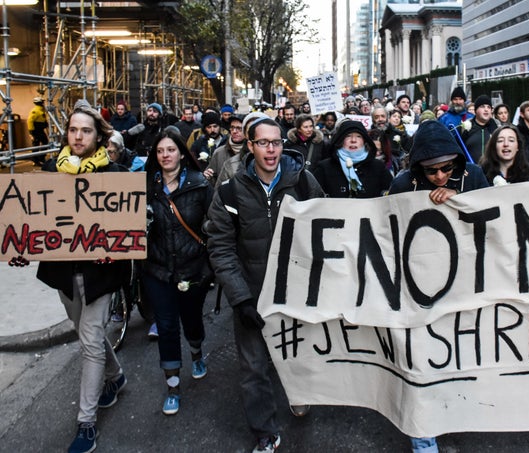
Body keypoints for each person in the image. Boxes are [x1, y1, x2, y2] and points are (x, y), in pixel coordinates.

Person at [205, 116, 324, 452]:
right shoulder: (229, 191)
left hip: (297, 292)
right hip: (253, 292)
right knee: (254, 368)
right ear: (251, 146)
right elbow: (221, 246)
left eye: (276, 142)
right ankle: (264, 433)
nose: (271, 149)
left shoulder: (303, 182)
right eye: (263, 143)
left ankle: (299, 392)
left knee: (298, 351)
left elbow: (326, 226)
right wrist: (240, 299)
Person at [388, 119, 489, 453]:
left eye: (447, 168)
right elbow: (388, 231)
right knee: (420, 362)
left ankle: (453, 410)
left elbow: (494, 219)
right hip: (419, 287)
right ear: (419, 167)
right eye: (432, 171)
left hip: (465, 285)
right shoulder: (403, 183)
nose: (441, 176)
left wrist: (459, 199)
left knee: (458, 356)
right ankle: (424, 440)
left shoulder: (473, 176)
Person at [35, 100, 129, 453]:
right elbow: (35, 221)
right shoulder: (50, 171)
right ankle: (116, 377)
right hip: (64, 273)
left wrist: (115, 247)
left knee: (89, 342)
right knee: (86, 334)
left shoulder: (117, 177)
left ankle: (85, 424)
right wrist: (22, 246)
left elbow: (130, 229)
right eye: (73, 130)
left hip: (100, 276)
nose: (78, 136)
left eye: (85, 130)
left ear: (98, 136)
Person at [143, 127, 213, 416]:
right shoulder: (146, 186)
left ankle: (196, 350)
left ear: (181, 154)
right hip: (157, 270)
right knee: (167, 326)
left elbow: (214, 223)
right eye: (160, 151)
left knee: (191, 320)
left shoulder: (199, 185)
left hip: (192, 269)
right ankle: (172, 384)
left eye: (170, 150)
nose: (165, 155)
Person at [312, 120, 392, 198]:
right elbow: (314, 198)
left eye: (358, 136)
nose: (353, 140)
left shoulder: (378, 167)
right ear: (340, 140)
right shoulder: (324, 168)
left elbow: (390, 194)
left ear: (364, 141)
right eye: (348, 136)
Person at [205, 114, 244, 185]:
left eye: (239, 128)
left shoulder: (252, 152)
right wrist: (208, 176)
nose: (234, 131)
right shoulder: (219, 152)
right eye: (232, 127)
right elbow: (212, 181)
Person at [461, 94, 499, 163]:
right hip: (471, 170)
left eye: (488, 107)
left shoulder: (497, 129)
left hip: (491, 171)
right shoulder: (465, 127)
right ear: (475, 110)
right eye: (482, 106)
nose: (486, 109)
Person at [27, 96, 48, 165]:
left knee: (43, 142)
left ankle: (40, 158)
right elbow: (30, 121)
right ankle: (36, 160)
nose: (43, 103)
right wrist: (31, 132)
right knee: (37, 144)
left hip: (39, 129)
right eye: (42, 102)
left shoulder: (41, 110)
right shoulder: (35, 111)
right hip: (36, 130)